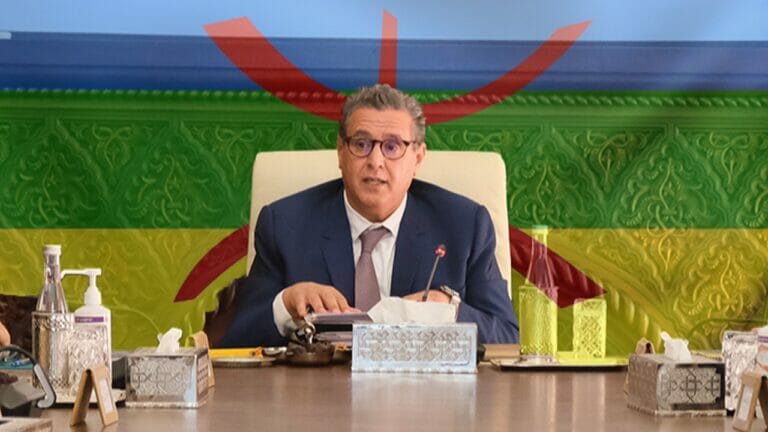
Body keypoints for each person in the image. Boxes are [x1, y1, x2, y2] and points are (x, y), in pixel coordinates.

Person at [220, 84, 519, 347]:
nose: (376, 161)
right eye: (361, 144)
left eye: (392, 146)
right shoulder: (284, 224)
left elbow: (507, 337)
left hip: (426, 392)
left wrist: (449, 310)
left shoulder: (465, 226)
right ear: (340, 151)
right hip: (317, 391)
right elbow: (235, 339)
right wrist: (285, 305)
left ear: (417, 158)